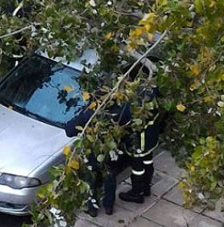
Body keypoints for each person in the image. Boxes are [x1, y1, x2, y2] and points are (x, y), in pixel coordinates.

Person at [65, 93, 131, 217]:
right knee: (109, 177)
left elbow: (69, 130)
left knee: (91, 180)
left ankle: (92, 208)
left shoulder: (88, 114)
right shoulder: (120, 111)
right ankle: (108, 206)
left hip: (92, 153)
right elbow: (128, 127)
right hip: (110, 152)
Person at [117, 62, 162, 204]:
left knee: (137, 168)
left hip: (138, 140)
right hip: (152, 135)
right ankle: (146, 186)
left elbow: (123, 119)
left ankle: (137, 193)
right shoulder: (150, 91)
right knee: (148, 160)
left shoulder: (133, 103)